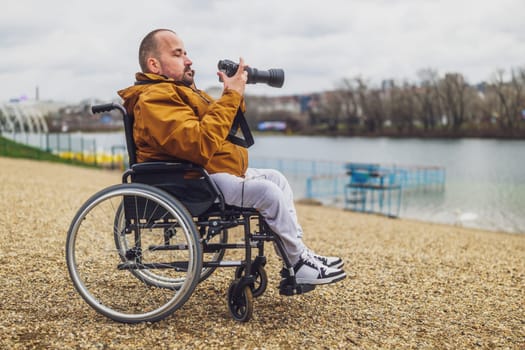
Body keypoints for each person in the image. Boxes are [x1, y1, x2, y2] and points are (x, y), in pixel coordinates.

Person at [118, 29, 346, 285]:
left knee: (277, 179)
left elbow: (218, 126)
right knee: (267, 193)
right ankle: (299, 263)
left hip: (206, 171)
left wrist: (233, 94)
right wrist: (231, 96)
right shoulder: (155, 98)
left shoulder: (179, 92)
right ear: (154, 64)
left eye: (186, 53)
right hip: (189, 179)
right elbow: (198, 143)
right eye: (178, 54)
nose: (189, 60)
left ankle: (298, 256)